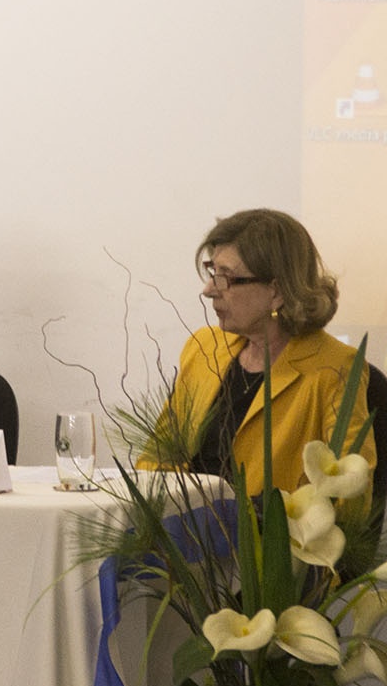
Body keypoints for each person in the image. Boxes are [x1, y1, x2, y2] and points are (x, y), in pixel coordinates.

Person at [148, 208, 375, 496]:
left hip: (267, 536)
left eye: (226, 277)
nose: (208, 290)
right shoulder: (202, 347)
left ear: (277, 291)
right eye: (212, 272)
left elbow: (351, 492)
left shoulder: (334, 367)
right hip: (185, 532)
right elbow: (156, 459)